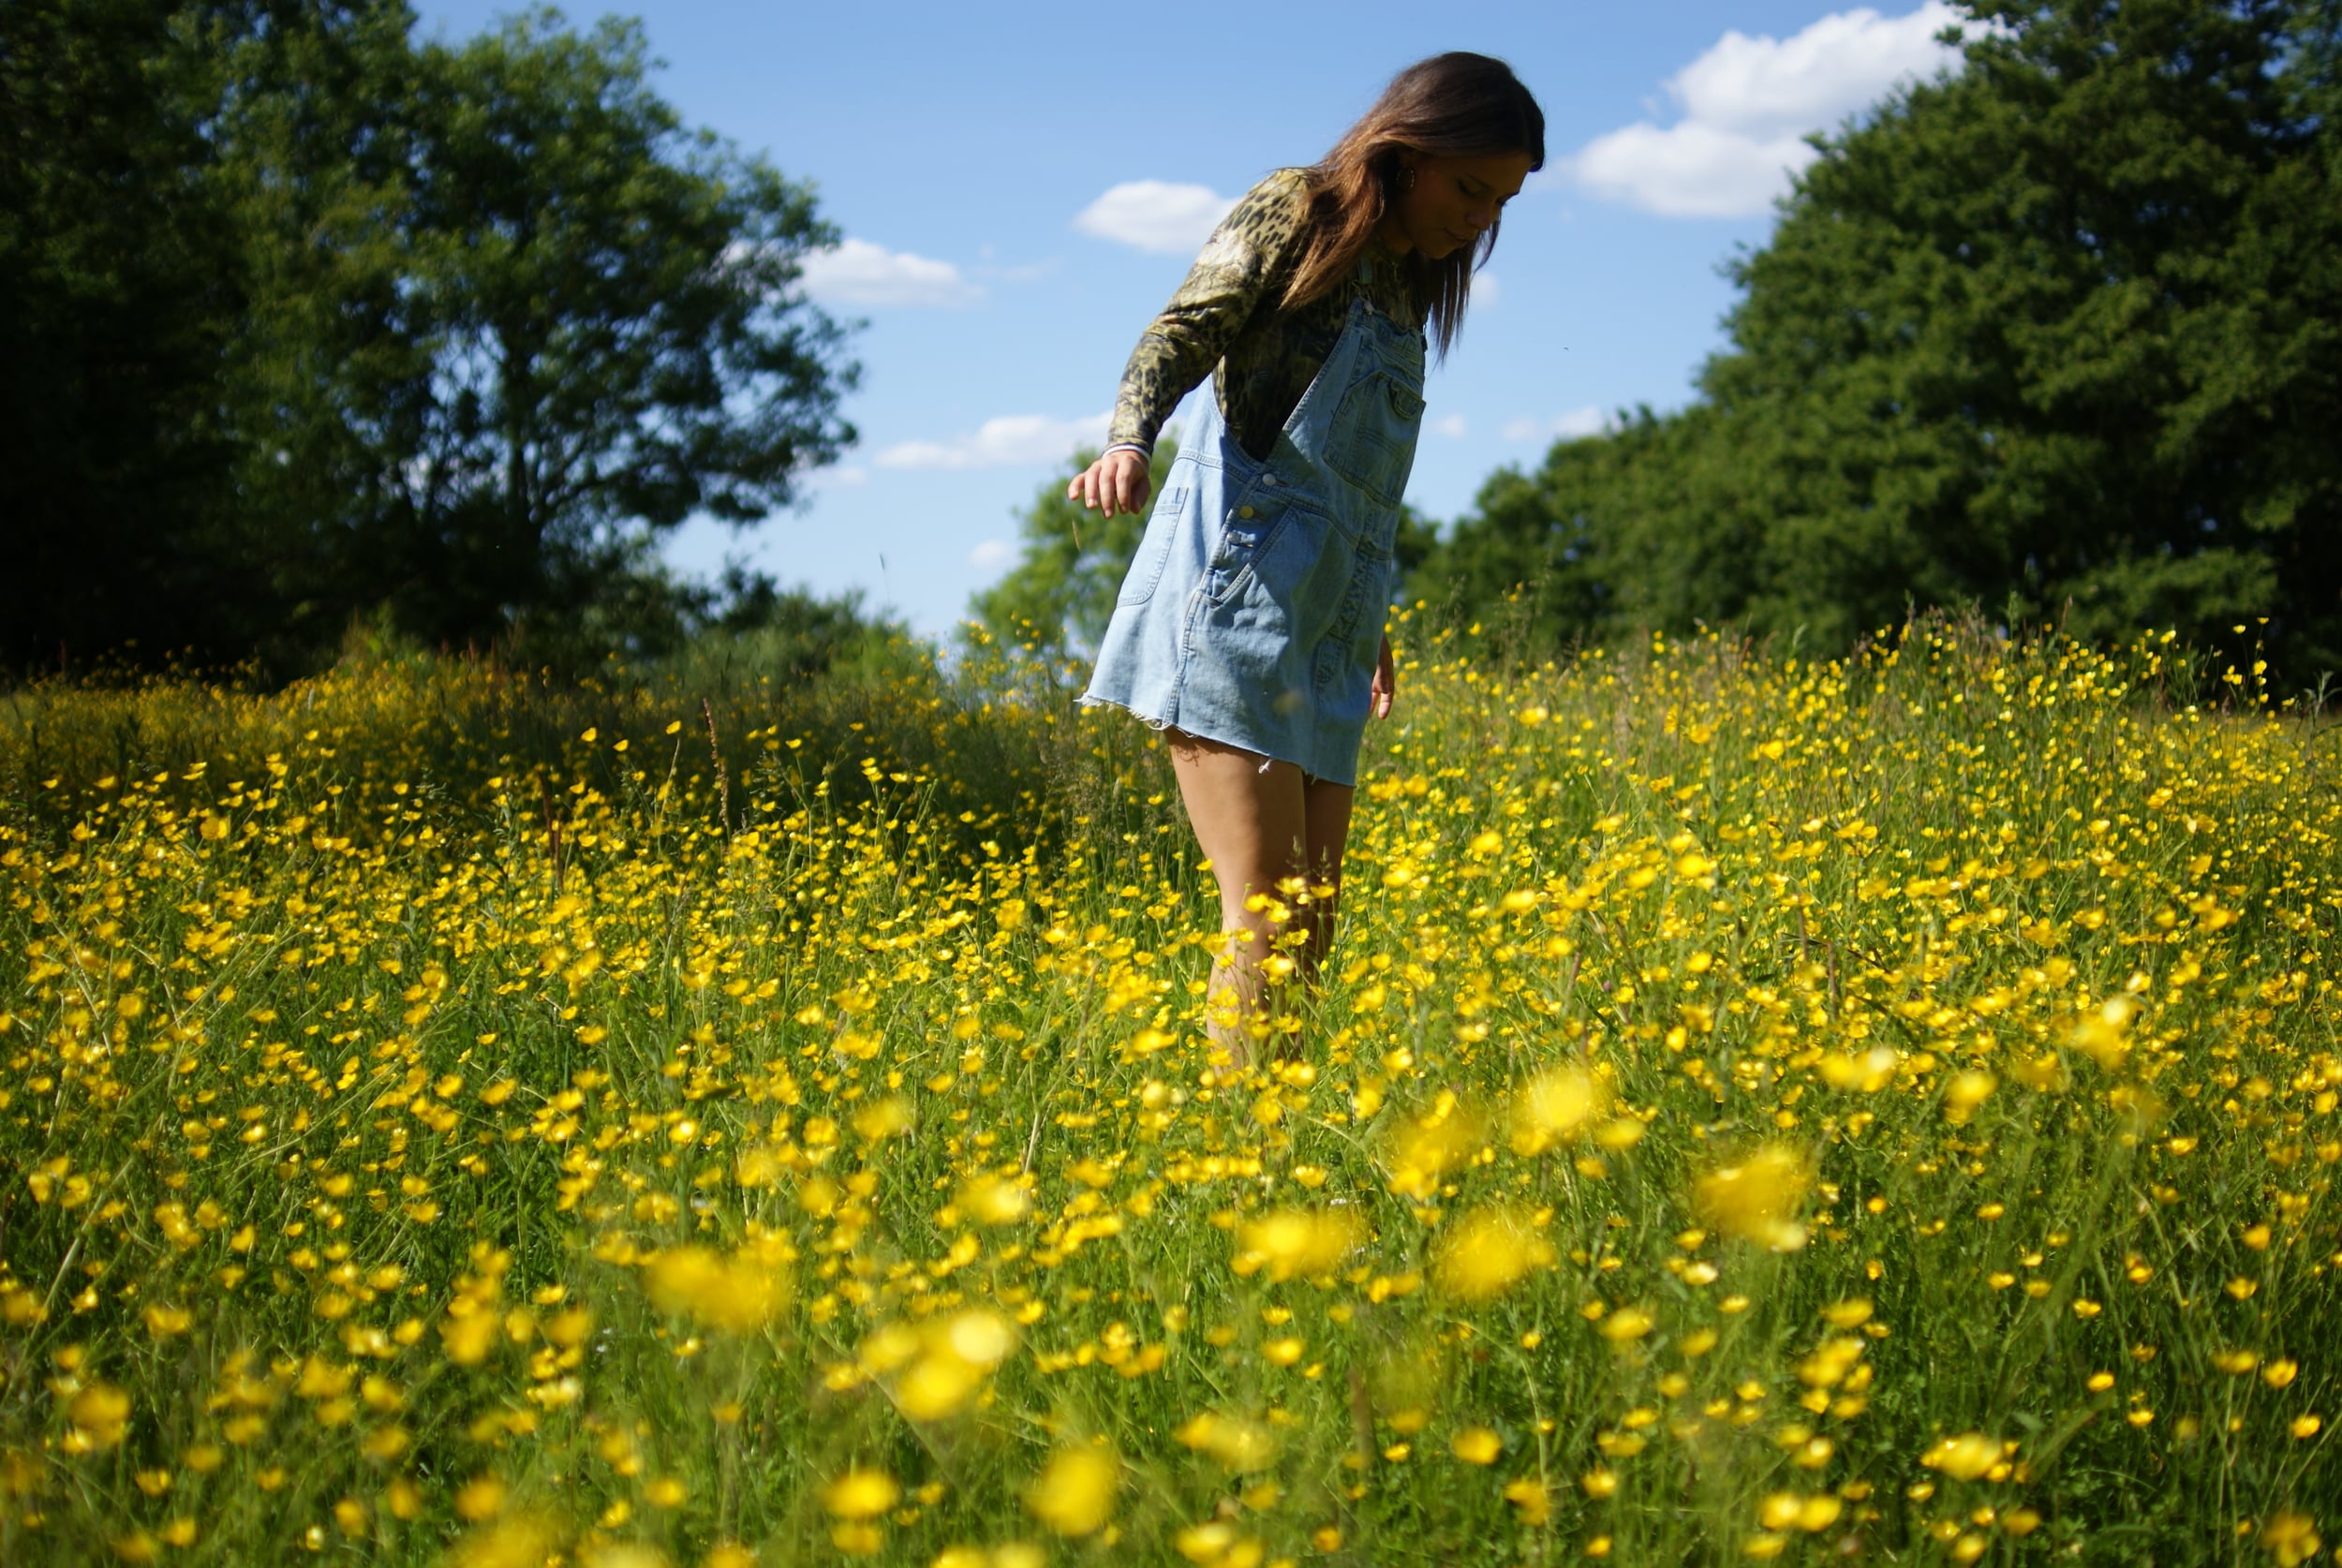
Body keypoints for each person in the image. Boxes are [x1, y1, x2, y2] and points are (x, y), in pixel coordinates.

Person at [1071, 52, 1544, 1070]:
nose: (1478, 220)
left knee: (1311, 930)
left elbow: (1357, 481)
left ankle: (1270, 1153)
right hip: (1232, 594)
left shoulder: (1409, 286)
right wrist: (1128, 440)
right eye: (1468, 189)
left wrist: (1365, 614)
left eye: (1498, 203)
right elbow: (1186, 326)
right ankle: (1239, 1169)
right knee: (1269, 917)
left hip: (1329, 615)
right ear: (1407, 149)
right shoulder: (1300, 208)